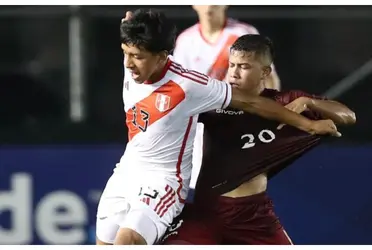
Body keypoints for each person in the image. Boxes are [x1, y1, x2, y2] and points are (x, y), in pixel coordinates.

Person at [95, 10, 340, 246]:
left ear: (162, 56)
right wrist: (130, 24)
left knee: (127, 242)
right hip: (125, 173)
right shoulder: (135, 64)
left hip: (163, 181)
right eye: (125, 53)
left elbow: (251, 101)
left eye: (137, 56)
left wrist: (308, 123)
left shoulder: (190, 85)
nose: (128, 63)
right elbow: (134, 38)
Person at [161, 34, 356, 245]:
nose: (233, 73)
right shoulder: (215, 98)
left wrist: (310, 103)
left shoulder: (284, 102)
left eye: (243, 67)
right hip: (206, 211)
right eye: (232, 65)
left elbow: (348, 116)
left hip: (252, 215)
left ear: (265, 72)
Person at [173, 5, 280, 90]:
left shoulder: (243, 33)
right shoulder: (185, 40)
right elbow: (179, 84)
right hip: (201, 113)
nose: (209, 5)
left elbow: (268, 78)